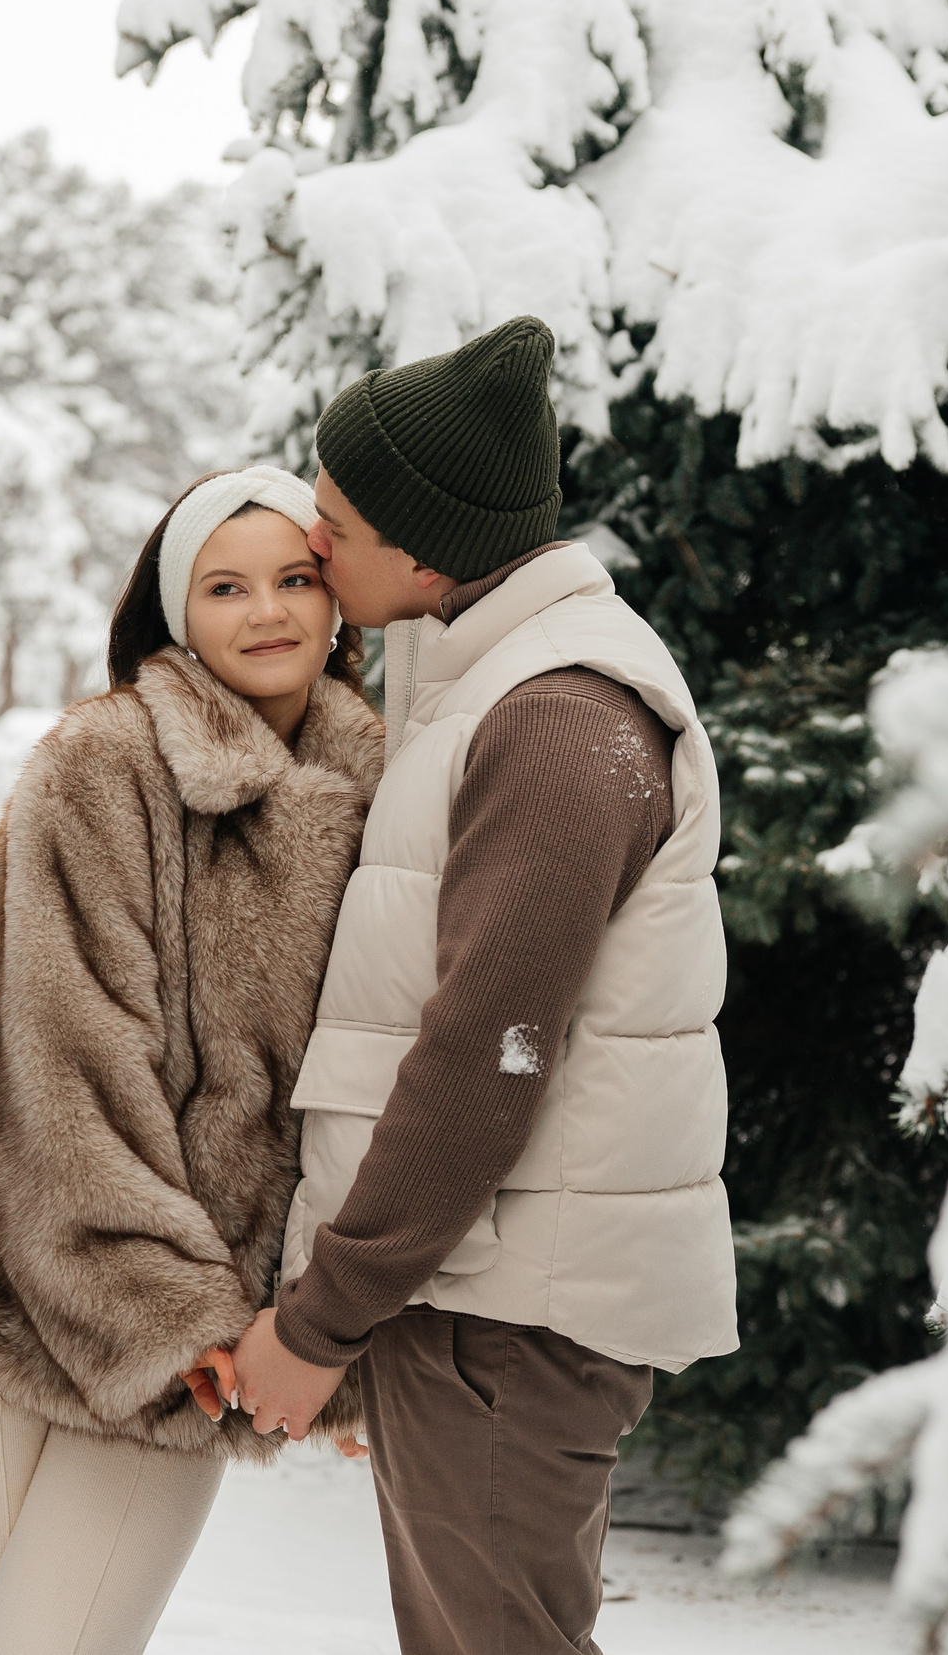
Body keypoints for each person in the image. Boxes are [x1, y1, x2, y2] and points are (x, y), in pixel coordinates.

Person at [226, 317, 741, 1654]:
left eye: (336, 519)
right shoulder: (492, 676)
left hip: (506, 1315)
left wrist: (323, 1319)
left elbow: (484, 1053)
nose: (313, 542)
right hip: (479, 1301)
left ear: (429, 543)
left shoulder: (560, 713)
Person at [0, 466, 381, 1655]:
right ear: (174, 613)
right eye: (226, 586)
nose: (267, 610)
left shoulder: (385, 796)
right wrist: (175, 1315)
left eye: (293, 578)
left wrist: (327, 1331)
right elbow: (62, 1063)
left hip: (189, 1337)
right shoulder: (106, 763)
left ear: (339, 604)